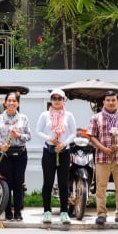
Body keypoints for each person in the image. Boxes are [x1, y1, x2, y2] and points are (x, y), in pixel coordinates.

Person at [87, 90, 118, 227]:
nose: (110, 102)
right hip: (102, 157)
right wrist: (103, 148)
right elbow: (91, 136)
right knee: (100, 186)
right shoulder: (96, 118)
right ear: (103, 102)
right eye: (108, 100)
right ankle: (101, 214)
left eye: (113, 100)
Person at [35, 89, 77, 224]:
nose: (57, 101)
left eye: (60, 98)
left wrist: (64, 144)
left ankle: (64, 212)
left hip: (64, 152)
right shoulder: (45, 115)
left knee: (63, 183)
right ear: (51, 100)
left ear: (64, 100)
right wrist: (50, 139)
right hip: (49, 151)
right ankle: (47, 211)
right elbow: (38, 131)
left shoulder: (69, 115)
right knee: (48, 182)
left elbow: (73, 133)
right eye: (54, 98)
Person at [0, 91, 32, 221]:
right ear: (5, 103)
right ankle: (7, 211)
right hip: (5, 154)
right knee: (6, 184)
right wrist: (0, 146)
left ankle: (18, 212)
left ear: (18, 103)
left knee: (18, 184)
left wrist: (18, 135)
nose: (12, 103)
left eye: (14, 101)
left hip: (20, 154)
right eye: (9, 100)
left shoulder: (23, 118)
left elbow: (29, 136)